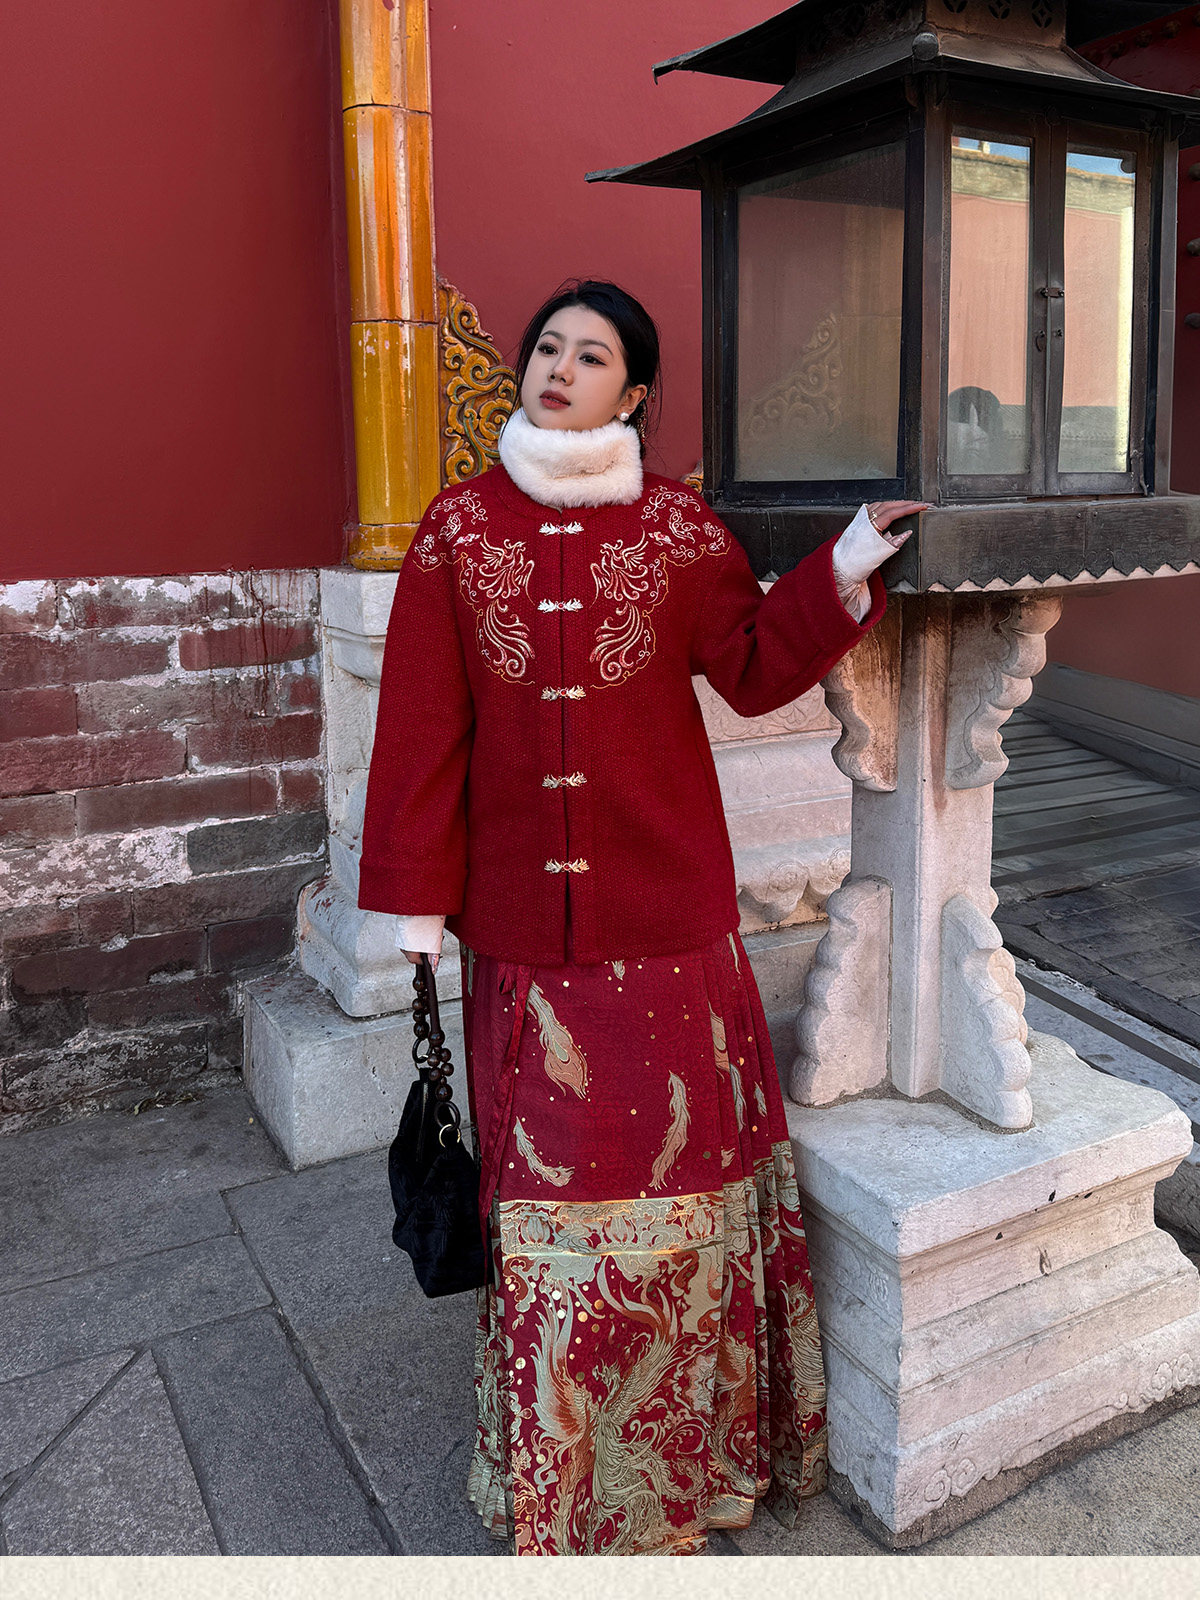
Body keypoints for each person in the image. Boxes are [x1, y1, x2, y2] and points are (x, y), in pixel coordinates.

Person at [358, 279, 924, 1556]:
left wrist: (844, 562)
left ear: (636, 392)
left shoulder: (675, 528)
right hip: (523, 934)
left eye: (593, 354)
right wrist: (415, 902)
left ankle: (693, 1460)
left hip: (668, 921)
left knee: (686, 1199)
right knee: (544, 1213)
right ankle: (564, 1477)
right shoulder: (457, 531)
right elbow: (423, 724)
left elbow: (753, 664)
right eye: (547, 347)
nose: (559, 367)